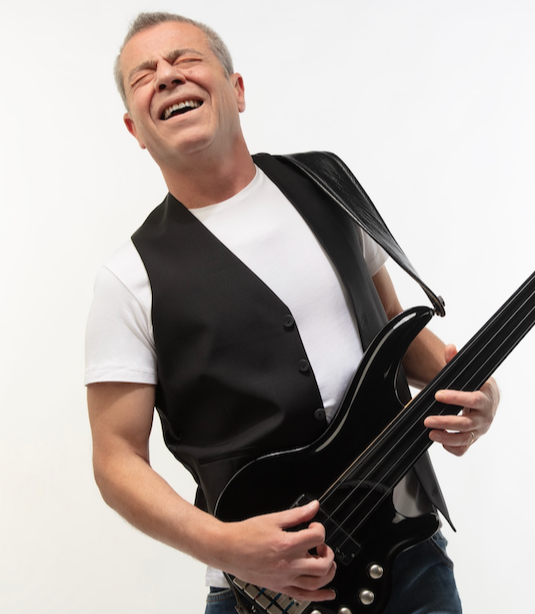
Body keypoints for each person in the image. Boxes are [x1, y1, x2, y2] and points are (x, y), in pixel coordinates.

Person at [85, 11, 499, 614]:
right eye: (144, 76)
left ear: (237, 89)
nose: (167, 76)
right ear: (135, 129)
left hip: (411, 556)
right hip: (270, 596)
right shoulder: (129, 278)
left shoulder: (327, 185)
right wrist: (226, 546)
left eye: (186, 59)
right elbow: (115, 460)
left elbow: (387, 325)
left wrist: (472, 393)